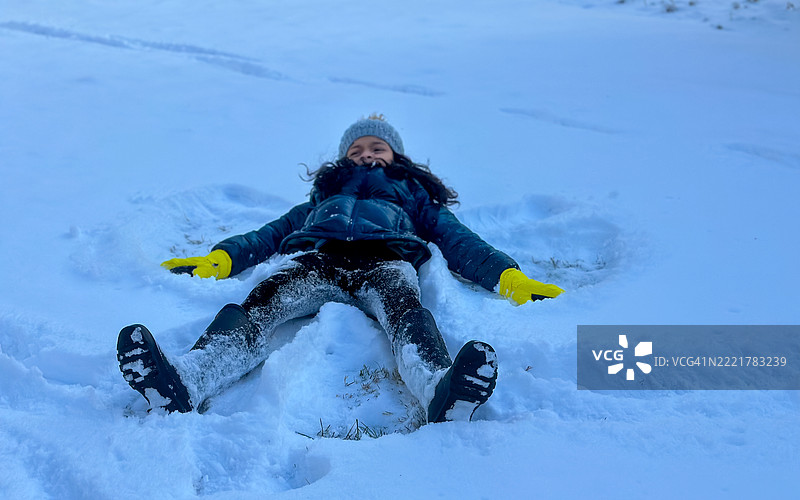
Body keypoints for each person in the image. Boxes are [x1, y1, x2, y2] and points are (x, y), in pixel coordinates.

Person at [117, 114, 564, 423]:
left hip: (386, 262)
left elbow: (460, 241)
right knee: (262, 303)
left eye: (378, 146)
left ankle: (437, 388)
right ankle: (191, 377)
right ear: (343, 157)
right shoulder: (321, 200)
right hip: (318, 261)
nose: (367, 153)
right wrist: (222, 258)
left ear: (397, 157)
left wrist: (508, 276)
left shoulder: (412, 195)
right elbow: (270, 234)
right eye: (357, 147)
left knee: (405, 313)